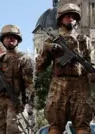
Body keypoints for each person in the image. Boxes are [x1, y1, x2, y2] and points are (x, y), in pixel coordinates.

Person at [35, 3, 94, 134]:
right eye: (67, 16)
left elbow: (91, 65)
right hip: (58, 87)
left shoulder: (85, 41)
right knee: (55, 127)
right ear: (60, 19)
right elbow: (39, 67)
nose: (70, 19)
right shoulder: (52, 42)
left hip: (81, 86)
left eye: (73, 17)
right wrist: (46, 49)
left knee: (83, 127)